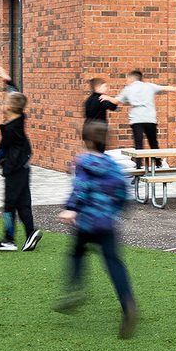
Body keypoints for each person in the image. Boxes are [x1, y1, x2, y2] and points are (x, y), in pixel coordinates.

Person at [56, 120, 137, 338]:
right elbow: (122, 190)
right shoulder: (113, 165)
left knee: (77, 252)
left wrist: (71, 209)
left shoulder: (83, 162)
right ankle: (128, 304)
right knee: (113, 263)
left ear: (88, 141)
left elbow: (80, 187)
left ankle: (75, 289)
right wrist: (119, 209)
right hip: (107, 223)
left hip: (86, 222)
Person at [0, 68, 38, 251]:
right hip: (23, 168)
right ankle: (31, 233)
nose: (4, 102)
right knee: (23, 202)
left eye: (6, 102)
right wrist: (8, 81)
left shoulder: (10, 129)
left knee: (9, 205)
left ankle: (8, 240)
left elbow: (1, 150)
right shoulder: (20, 117)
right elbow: (16, 96)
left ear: (9, 107)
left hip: (14, 169)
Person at [116, 68, 176, 156]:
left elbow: (115, 101)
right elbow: (165, 88)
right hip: (150, 119)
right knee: (153, 142)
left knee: (138, 145)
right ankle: (158, 163)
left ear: (132, 78)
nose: (127, 81)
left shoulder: (128, 89)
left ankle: (139, 166)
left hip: (136, 120)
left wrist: (106, 98)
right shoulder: (149, 86)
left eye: (128, 79)